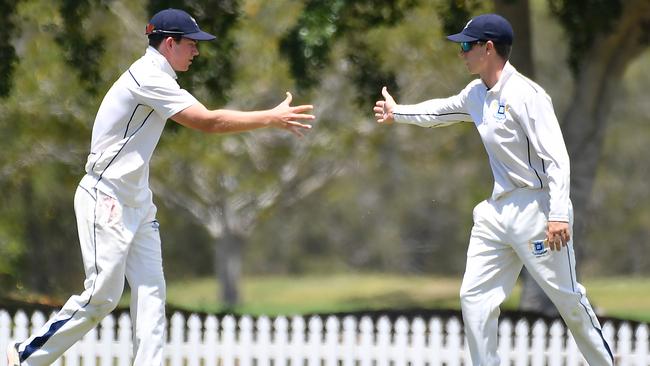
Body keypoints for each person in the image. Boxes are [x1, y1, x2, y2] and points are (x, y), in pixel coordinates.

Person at [7, 8, 314, 366]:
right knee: (102, 298)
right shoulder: (147, 77)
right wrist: (270, 117)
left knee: (152, 296)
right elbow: (208, 122)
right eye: (191, 45)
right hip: (105, 198)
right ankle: (24, 357)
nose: (197, 52)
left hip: (138, 203)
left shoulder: (160, 76)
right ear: (170, 43)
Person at [373, 13, 613, 366]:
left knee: (570, 303)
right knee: (474, 298)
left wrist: (559, 214)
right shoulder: (475, 94)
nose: (462, 53)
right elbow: (441, 111)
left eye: (467, 46)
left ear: (489, 48)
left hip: (538, 210)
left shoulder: (528, 95)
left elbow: (557, 160)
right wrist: (398, 113)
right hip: (496, 212)